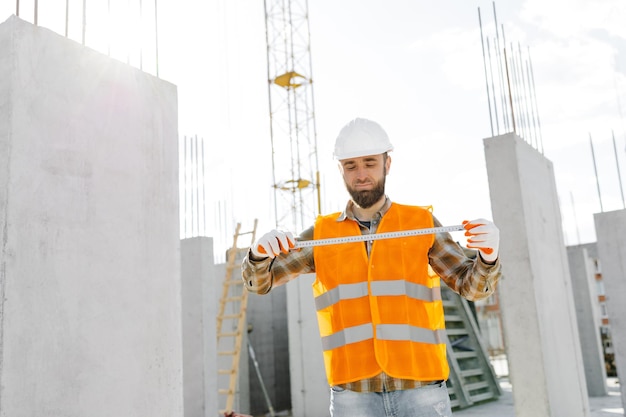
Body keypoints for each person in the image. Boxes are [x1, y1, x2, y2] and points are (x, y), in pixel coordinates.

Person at [242, 118, 502, 417]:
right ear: (340, 169)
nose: (361, 174)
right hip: (353, 393)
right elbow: (259, 283)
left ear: (387, 163)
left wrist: (489, 257)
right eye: (351, 165)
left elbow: (472, 287)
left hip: (420, 387)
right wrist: (258, 255)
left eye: (369, 163)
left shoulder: (420, 224)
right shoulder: (322, 234)